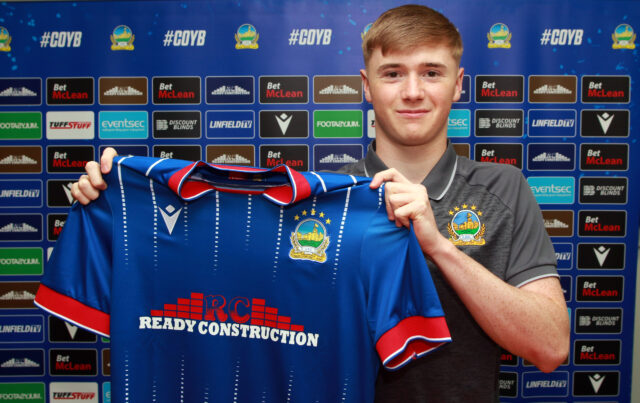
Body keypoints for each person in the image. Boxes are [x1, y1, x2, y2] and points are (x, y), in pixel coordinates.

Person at [71, 4, 569, 402]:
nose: (413, 92)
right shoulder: (318, 196)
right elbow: (216, 277)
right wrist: (114, 204)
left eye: (432, 72)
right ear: (366, 86)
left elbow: (550, 347)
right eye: (393, 73)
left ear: (459, 84)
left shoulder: (504, 188)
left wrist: (438, 246)